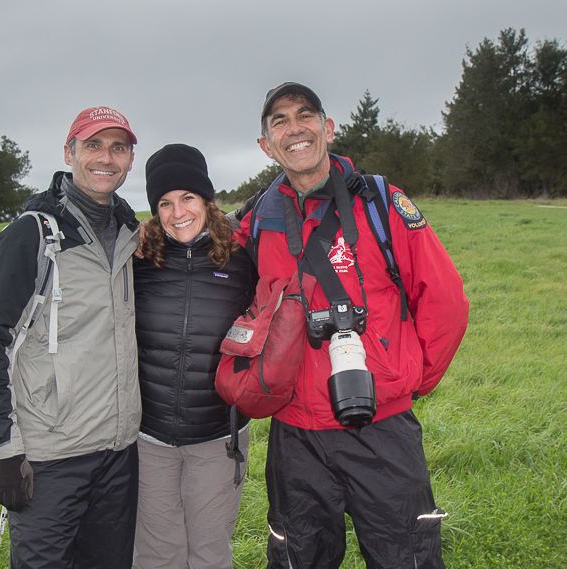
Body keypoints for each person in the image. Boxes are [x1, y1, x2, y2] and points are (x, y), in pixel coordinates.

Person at [234, 83, 469, 568]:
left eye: (305, 115)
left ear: (328, 127)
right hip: (295, 432)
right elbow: (199, 250)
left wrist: (409, 380)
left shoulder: (381, 201)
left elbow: (444, 300)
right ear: (265, 145)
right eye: (279, 121)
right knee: (299, 558)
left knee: (405, 557)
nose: (294, 128)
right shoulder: (259, 217)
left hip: (382, 429)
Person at [0, 106, 142, 569]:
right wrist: (0, 447)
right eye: (93, 145)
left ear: (130, 159)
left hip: (118, 452)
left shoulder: (130, 235)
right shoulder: (31, 236)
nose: (106, 157)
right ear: (69, 152)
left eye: (118, 147)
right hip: (48, 458)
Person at [132, 144, 256, 569]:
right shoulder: (139, 259)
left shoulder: (244, 256)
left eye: (187, 198)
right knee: (154, 555)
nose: (177, 212)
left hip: (217, 436)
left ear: (207, 200)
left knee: (208, 552)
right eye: (164, 203)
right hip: (148, 437)